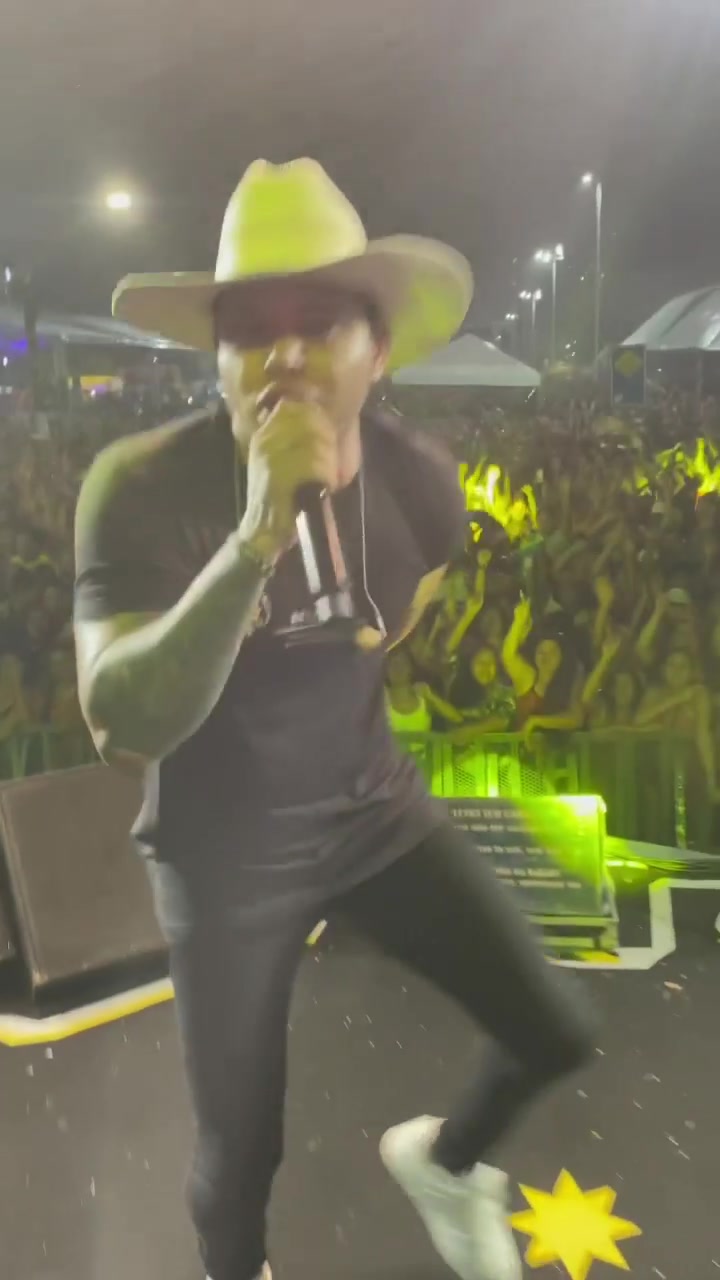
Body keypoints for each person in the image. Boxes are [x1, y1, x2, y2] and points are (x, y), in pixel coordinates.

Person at [73, 159, 593, 1280]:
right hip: (221, 852)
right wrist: (256, 538)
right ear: (216, 358)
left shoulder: (422, 482)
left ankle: (446, 1165)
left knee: (556, 1028)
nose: (286, 351)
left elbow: (402, 616)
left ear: (380, 350)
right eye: (249, 327)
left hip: (370, 810)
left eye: (321, 320)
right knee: (239, 1153)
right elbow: (121, 725)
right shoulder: (140, 483)